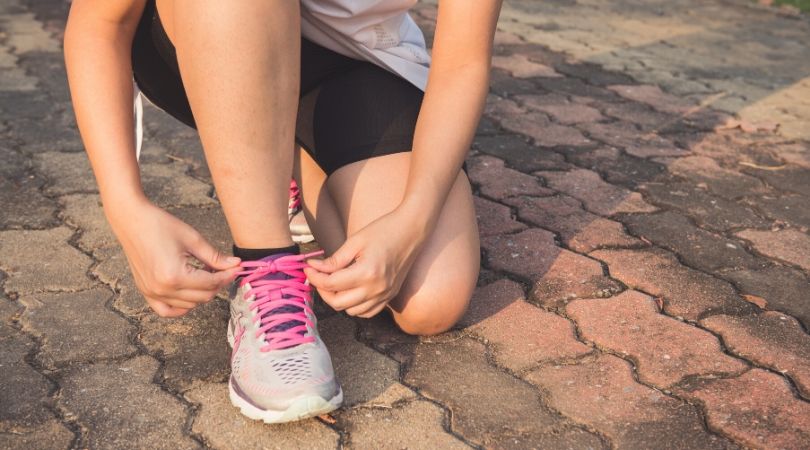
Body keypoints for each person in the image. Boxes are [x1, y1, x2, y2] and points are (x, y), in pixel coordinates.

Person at [64, 0, 502, 423]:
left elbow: (463, 61)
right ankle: (266, 267)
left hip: (357, 57)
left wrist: (412, 219)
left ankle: (281, 158)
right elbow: (100, 23)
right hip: (209, 28)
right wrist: (125, 206)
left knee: (429, 298)